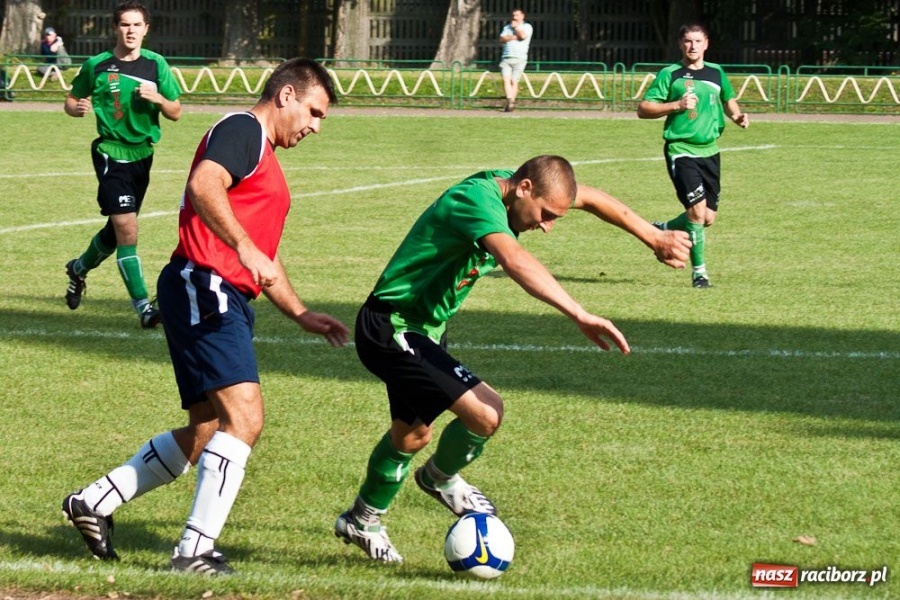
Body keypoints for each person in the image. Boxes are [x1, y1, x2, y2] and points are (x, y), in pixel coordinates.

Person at [61, 58, 350, 575]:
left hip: (213, 288)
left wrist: (301, 312)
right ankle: (194, 551)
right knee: (245, 418)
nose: (315, 126)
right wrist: (241, 245)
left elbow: (263, 258)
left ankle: (95, 501)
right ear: (285, 95)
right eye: (314, 111)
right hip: (206, 283)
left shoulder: (264, 155)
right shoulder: (243, 129)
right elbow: (204, 185)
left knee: (208, 428)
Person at [334, 155, 692, 562]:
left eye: (555, 216)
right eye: (544, 214)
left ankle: (362, 519)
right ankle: (439, 478)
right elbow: (515, 260)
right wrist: (578, 313)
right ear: (523, 188)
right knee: (486, 413)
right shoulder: (476, 200)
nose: (546, 225)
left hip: (425, 329)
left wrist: (654, 237)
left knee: (412, 436)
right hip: (391, 326)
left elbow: (590, 198)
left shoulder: (524, 190)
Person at [63, 1, 182, 328]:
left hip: (143, 155)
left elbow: (176, 111)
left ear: (146, 29)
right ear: (116, 28)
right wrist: (77, 108)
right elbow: (71, 100)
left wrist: (158, 99)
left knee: (116, 233)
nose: (131, 31)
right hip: (110, 153)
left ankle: (78, 268)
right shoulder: (98, 65)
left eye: (137, 25)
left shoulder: (156, 65)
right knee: (128, 229)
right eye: (125, 25)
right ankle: (144, 307)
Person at [637, 23, 749, 289]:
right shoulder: (670, 74)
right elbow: (643, 108)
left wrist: (737, 116)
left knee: (707, 218)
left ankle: (663, 227)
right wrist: (676, 105)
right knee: (697, 213)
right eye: (688, 41)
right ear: (680, 44)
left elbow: (728, 99)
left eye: (698, 41)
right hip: (681, 150)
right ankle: (700, 273)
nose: (693, 46)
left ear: (706, 44)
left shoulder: (717, 72)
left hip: (710, 151)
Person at [498, 8, 532, 112]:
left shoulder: (527, 27)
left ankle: (512, 101)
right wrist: (513, 37)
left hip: (520, 57)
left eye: (517, 15)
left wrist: (516, 28)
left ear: (522, 16)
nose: (514, 17)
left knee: (514, 80)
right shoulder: (507, 27)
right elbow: (502, 39)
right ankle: (510, 101)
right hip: (506, 57)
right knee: (506, 80)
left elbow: (522, 36)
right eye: (513, 15)